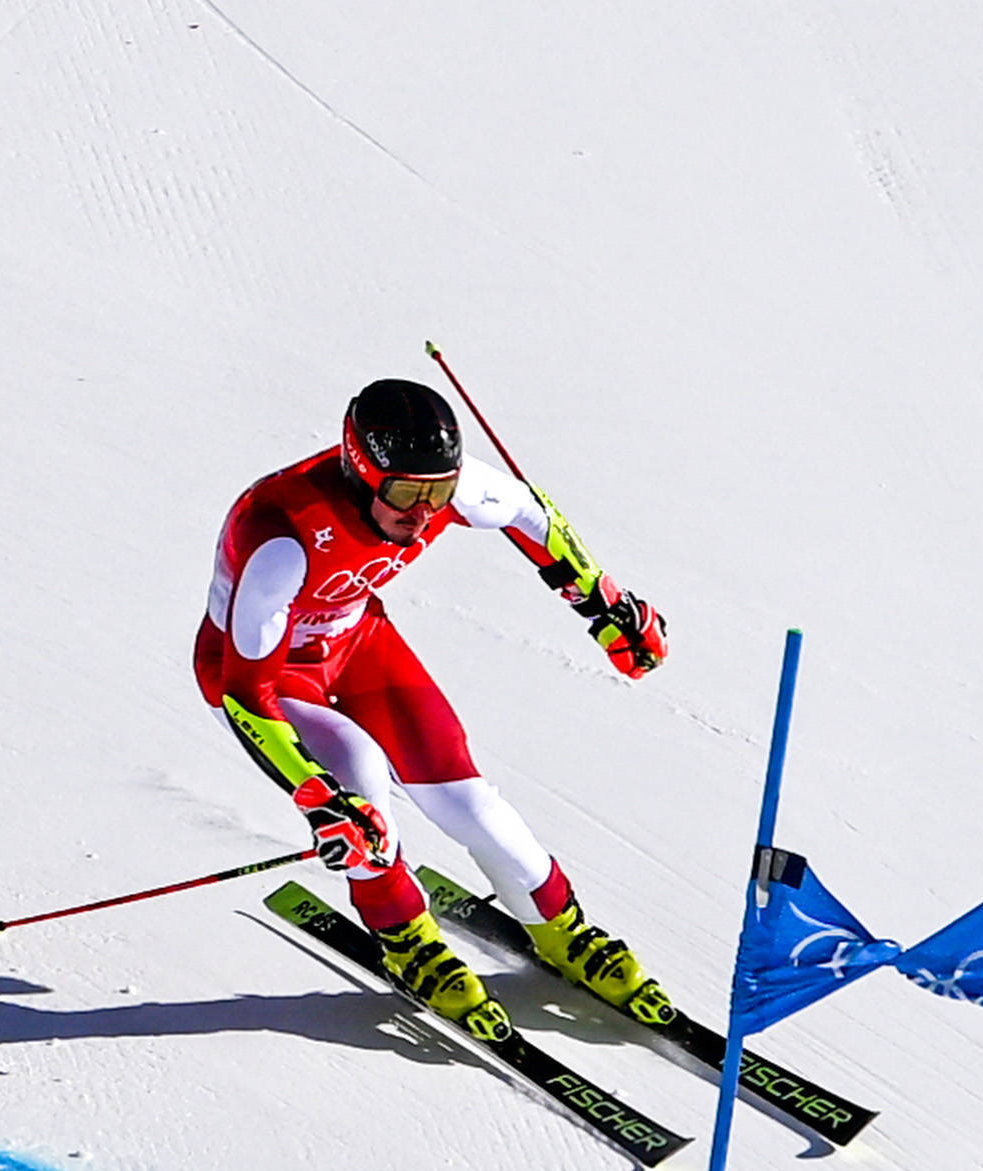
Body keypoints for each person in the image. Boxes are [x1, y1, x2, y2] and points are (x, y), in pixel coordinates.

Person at [193, 377, 675, 1043]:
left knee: (468, 800)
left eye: (438, 493)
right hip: (261, 678)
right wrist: (319, 799)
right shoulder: (283, 534)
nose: (423, 512)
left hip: (356, 640)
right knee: (359, 785)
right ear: (363, 474)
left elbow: (529, 514)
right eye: (406, 494)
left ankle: (564, 931)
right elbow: (246, 690)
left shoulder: (440, 484)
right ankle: (403, 933)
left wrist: (605, 605)